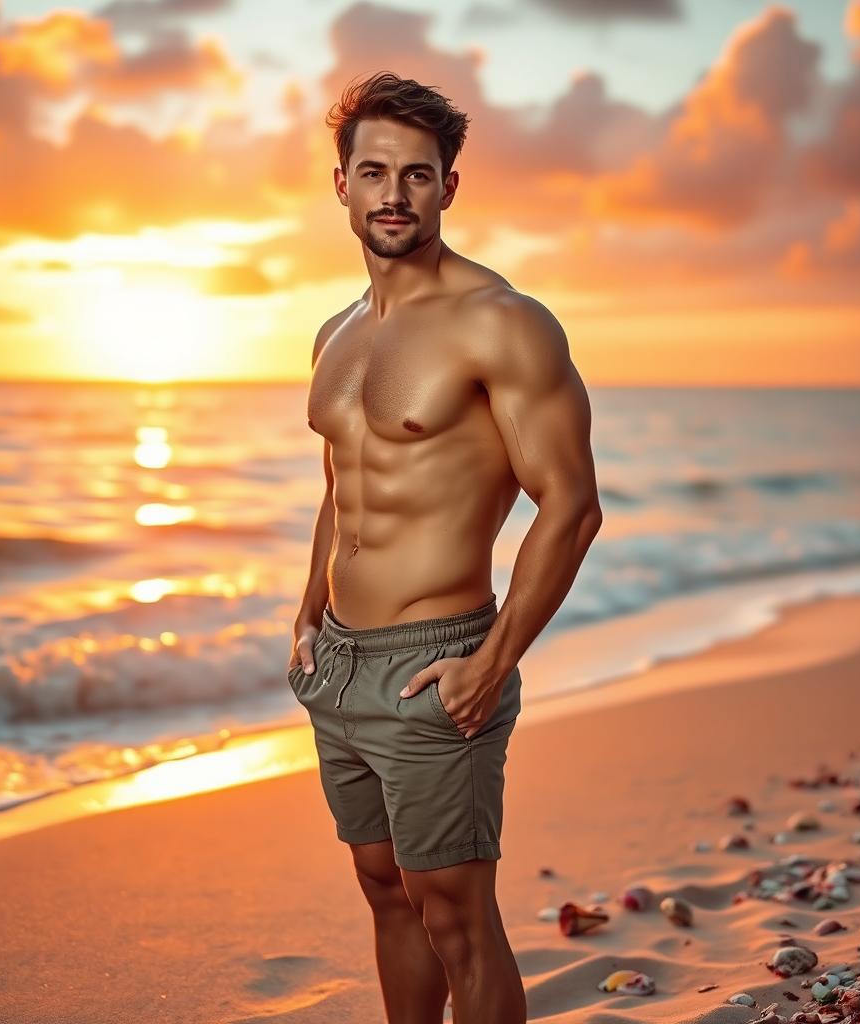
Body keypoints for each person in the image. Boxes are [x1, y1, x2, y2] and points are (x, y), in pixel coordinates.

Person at [286, 70, 602, 1024]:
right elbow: (342, 486)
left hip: (436, 667)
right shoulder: (335, 334)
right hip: (340, 665)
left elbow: (572, 506)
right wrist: (307, 613)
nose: (393, 195)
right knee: (386, 891)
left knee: (457, 916)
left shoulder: (502, 323)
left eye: (417, 175)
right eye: (373, 172)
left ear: (448, 188)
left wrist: (491, 658)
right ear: (339, 183)